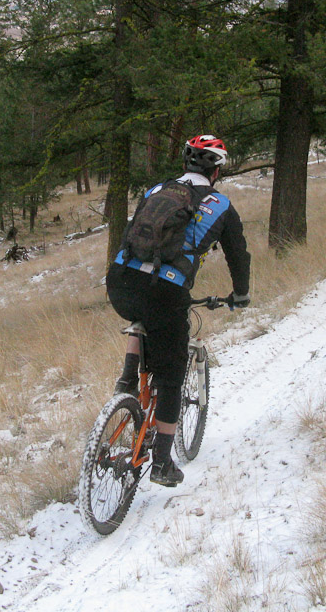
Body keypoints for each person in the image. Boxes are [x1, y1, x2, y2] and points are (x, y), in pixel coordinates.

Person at [105, 134, 251, 487]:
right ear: (216, 171)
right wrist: (240, 295)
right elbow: (238, 254)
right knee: (170, 377)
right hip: (165, 291)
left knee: (142, 315)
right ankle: (161, 463)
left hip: (119, 281)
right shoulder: (220, 204)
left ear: (186, 163)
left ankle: (127, 380)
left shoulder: (157, 190)